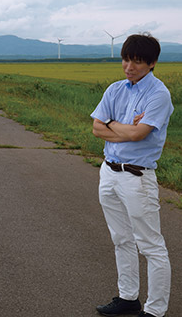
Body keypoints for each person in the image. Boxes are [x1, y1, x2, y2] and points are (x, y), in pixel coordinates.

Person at [91, 32, 174, 317]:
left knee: (150, 244)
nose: (129, 66)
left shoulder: (159, 94)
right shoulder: (115, 89)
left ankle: (155, 310)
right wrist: (121, 126)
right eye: (126, 59)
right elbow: (96, 128)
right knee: (121, 239)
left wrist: (113, 125)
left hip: (137, 178)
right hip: (109, 172)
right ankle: (128, 298)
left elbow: (140, 135)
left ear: (151, 63)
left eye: (137, 61)